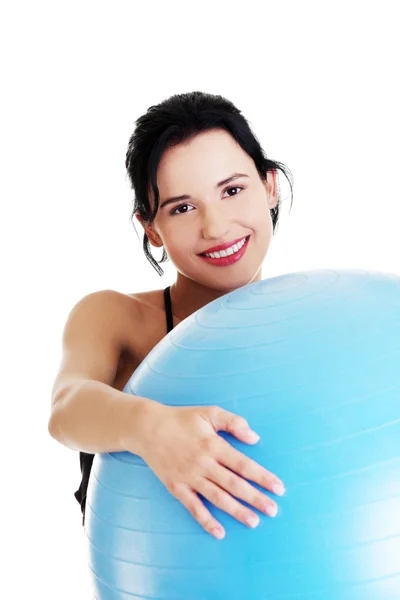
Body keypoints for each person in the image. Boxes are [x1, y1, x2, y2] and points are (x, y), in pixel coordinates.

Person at [48, 90, 294, 541]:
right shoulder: (117, 317)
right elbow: (66, 410)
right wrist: (151, 428)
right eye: (182, 207)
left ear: (270, 186)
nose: (215, 227)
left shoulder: (313, 321)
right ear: (150, 227)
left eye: (233, 190)